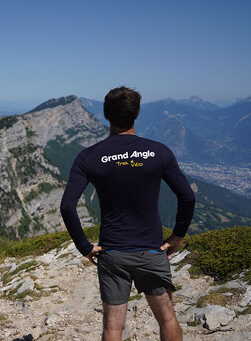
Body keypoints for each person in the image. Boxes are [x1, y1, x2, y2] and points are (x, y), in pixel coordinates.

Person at [60, 86, 195, 341]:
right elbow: (187, 196)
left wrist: (84, 246)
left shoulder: (88, 157)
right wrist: (177, 236)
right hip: (152, 251)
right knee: (167, 318)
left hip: (112, 253)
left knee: (113, 327)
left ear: (106, 115)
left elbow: (67, 206)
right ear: (137, 114)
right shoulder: (159, 152)